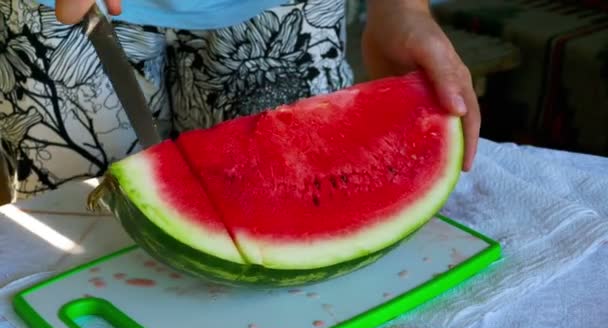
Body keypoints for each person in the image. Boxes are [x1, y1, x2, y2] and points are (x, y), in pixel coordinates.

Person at [0, 0, 480, 201]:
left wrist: (402, 8)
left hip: (285, 9)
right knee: (84, 233)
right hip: (66, 15)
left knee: (292, 210)